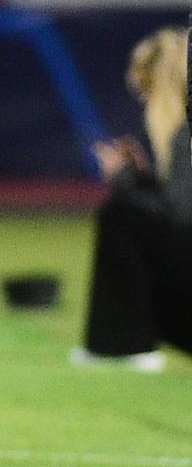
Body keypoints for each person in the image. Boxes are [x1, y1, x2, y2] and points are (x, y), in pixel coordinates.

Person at [72, 26, 191, 371]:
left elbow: (179, 219)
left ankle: (120, 346)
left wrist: (125, 180)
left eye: (146, 92)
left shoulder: (185, 136)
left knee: (121, 215)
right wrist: (140, 180)